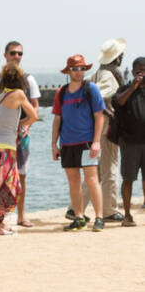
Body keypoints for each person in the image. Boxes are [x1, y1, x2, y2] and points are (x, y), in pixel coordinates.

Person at [0, 42, 40, 227]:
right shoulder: (18, 93)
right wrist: (21, 124)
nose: (17, 56)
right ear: (5, 54)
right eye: (13, 53)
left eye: (19, 53)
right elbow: (35, 114)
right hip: (9, 145)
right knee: (10, 184)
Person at [52, 54, 105, 232]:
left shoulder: (91, 89)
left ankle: (99, 218)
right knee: (73, 181)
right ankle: (79, 217)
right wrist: (54, 144)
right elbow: (57, 119)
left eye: (82, 68)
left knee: (92, 180)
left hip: (87, 142)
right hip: (67, 144)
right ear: (68, 71)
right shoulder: (62, 93)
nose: (79, 72)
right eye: (75, 69)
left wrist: (97, 141)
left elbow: (100, 116)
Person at [90, 38, 126, 222]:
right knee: (110, 168)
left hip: (96, 128)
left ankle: (76, 207)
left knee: (93, 170)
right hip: (107, 128)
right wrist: (109, 113)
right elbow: (96, 96)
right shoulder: (109, 76)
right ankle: (110, 209)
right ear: (116, 58)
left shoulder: (98, 73)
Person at [113, 55, 145, 226]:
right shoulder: (125, 89)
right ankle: (127, 215)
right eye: (138, 69)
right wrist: (133, 87)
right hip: (130, 142)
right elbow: (118, 102)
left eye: (144, 68)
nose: (141, 71)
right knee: (128, 178)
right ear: (132, 71)